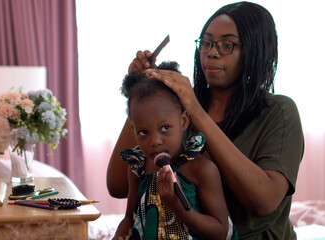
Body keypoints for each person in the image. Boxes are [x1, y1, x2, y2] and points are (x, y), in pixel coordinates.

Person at [107, 2, 304, 239]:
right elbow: (117, 186)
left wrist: (197, 113)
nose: (212, 52)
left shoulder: (279, 111)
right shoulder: (178, 108)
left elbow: (264, 201)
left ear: (255, 50)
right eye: (207, 43)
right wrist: (142, 98)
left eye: (227, 45)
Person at [113, 61, 236, 240]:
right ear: (133, 131)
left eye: (165, 128)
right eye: (143, 132)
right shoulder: (137, 169)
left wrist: (176, 204)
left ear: (184, 121)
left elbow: (220, 231)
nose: (155, 141)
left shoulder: (201, 170)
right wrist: (119, 235)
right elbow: (129, 219)